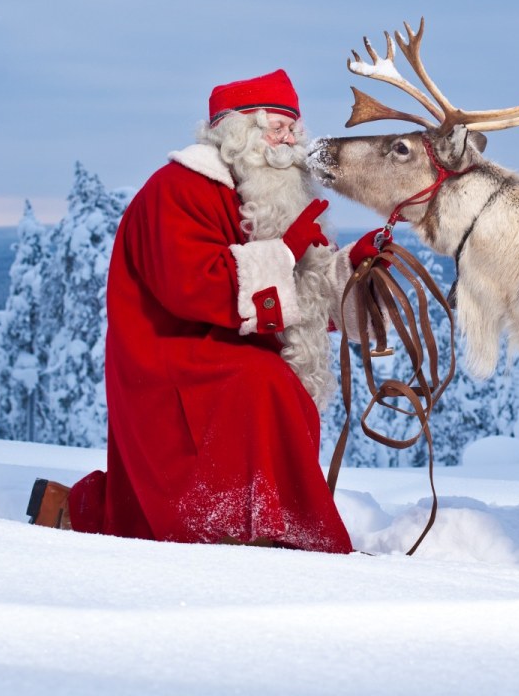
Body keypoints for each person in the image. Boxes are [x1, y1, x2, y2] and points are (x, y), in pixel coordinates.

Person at [27, 69, 378, 552]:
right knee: (262, 383)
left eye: (294, 127)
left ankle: (266, 523)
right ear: (239, 132)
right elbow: (192, 285)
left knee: (274, 382)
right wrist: (286, 251)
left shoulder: (262, 194)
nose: (290, 140)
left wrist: (355, 276)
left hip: (217, 343)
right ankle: (245, 528)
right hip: (167, 353)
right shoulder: (179, 188)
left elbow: (299, 298)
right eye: (277, 126)